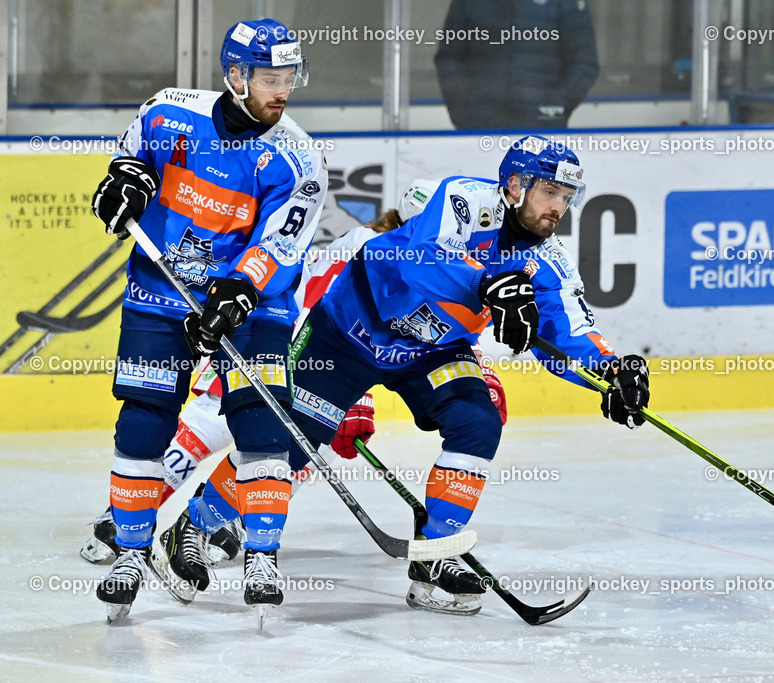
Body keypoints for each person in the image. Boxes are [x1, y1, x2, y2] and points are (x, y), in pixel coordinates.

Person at [180, 134, 648, 617]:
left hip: (433, 350)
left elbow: (570, 331)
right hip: (349, 334)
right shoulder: (463, 200)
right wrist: (488, 283)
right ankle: (196, 523)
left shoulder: (547, 261)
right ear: (515, 185)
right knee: (293, 443)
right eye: (550, 193)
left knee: (477, 420)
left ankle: (436, 554)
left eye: (567, 198)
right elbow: (421, 261)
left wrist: (609, 372)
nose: (559, 208)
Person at [81, 180, 509, 572]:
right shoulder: (368, 246)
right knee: (207, 427)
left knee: (298, 455)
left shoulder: (463, 265)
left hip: (323, 358)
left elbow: (448, 331)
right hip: (276, 348)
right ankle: (123, 519)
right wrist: (350, 397)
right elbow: (315, 310)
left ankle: (233, 519)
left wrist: (480, 374)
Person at [89, 18, 327, 622]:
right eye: (270, 78)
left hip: (254, 301)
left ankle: (261, 554)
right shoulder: (169, 112)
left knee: (263, 419)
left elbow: (281, 245)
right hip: (160, 290)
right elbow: (130, 154)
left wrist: (238, 292)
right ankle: (131, 551)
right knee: (144, 420)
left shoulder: (297, 159)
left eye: (289, 78)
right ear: (235, 75)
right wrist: (124, 181)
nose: (282, 91)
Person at [434, 0, 599, 130]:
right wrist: (462, 110)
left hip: (543, 130)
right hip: (479, 126)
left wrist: (554, 107)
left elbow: (583, 62)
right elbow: (449, 57)